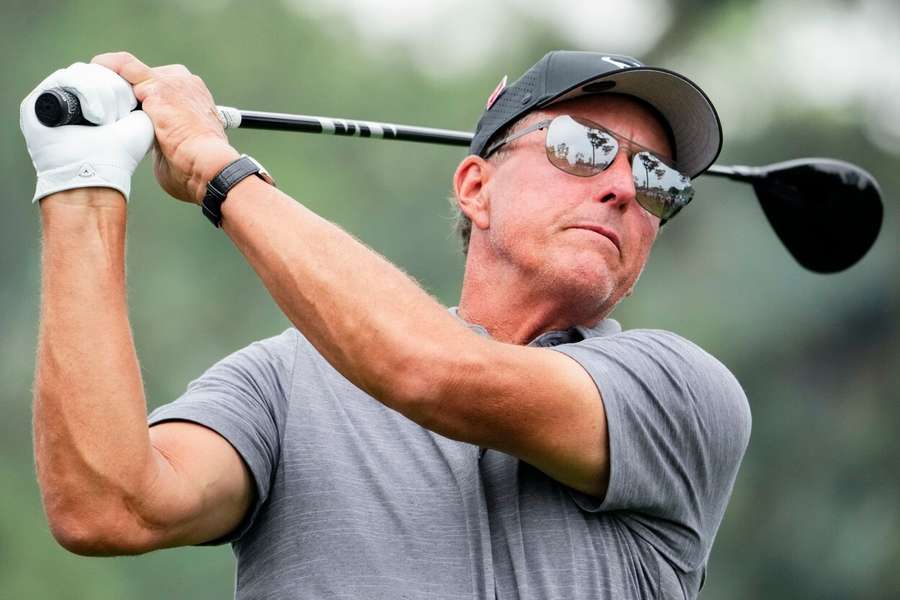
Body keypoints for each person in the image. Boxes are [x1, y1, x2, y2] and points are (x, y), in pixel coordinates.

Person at [22, 50, 751, 599]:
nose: (624, 186)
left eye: (659, 179)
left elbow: (431, 371)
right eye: (583, 147)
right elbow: (108, 506)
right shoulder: (285, 379)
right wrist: (79, 182)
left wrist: (217, 167)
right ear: (476, 187)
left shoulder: (682, 394)